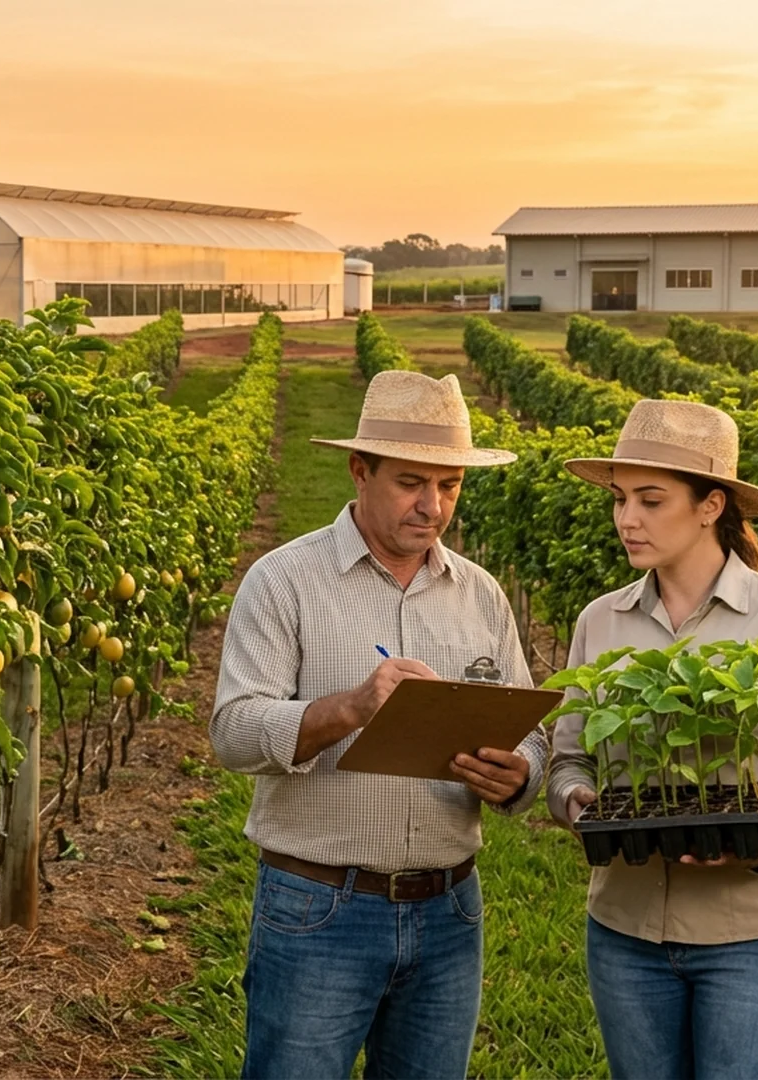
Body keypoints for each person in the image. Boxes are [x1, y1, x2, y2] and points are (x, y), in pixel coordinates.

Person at [210, 369, 548, 1080]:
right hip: (319, 908)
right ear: (359, 471)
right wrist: (352, 708)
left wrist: (521, 775)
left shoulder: (480, 595)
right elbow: (234, 733)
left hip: (450, 910)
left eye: (450, 485)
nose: (433, 506)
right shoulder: (284, 581)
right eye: (411, 483)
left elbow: (530, 732)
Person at [547, 399, 758, 1080]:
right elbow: (568, 759)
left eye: (650, 501)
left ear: (711, 506)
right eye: (620, 499)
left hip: (756, 939)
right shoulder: (601, 622)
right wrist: (575, 800)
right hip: (625, 932)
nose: (627, 519)